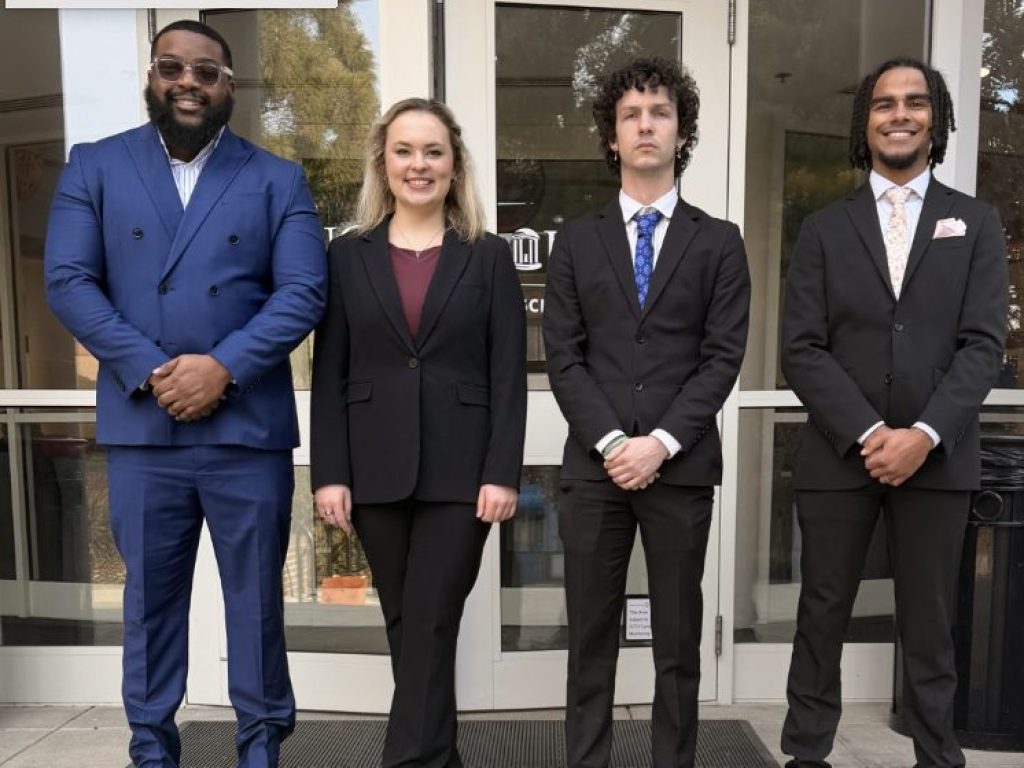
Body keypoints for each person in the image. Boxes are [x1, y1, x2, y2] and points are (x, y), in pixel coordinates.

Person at [44, 19, 326, 768]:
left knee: (257, 604)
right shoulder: (94, 167)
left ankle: (261, 748)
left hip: (245, 431)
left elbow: (303, 292)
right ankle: (151, 749)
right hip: (145, 428)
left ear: (228, 85)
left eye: (206, 71)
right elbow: (69, 281)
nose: (188, 82)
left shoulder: (278, 177)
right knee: (150, 606)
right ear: (152, 77)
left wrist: (222, 368)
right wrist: (155, 369)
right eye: (172, 67)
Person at [781, 57, 1008, 768]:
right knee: (820, 619)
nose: (900, 114)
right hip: (837, 458)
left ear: (935, 119)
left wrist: (924, 435)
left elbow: (983, 346)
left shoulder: (976, 224)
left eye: (915, 102)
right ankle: (807, 754)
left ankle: (938, 756)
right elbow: (802, 349)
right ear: (865, 122)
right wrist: (875, 433)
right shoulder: (823, 228)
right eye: (885, 104)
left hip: (938, 463)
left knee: (931, 627)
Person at [543, 58, 750, 768]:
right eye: (630, 114)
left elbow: (722, 359)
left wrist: (658, 443)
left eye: (659, 112)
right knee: (590, 640)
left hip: (680, 469)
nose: (645, 125)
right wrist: (612, 443)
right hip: (595, 473)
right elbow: (563, 358)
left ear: (681, 129)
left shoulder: (719, 241)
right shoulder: (575, 240)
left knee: (677, 642)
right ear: (611, 135)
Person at [310, 97, 526, 768]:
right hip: (374, 468)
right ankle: (442, 756)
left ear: (454, 163)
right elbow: (331, 370)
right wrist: (330, 473)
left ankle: (408, 760)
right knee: (409, 625)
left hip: (462, 475)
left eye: (433, 151)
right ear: (383, 161)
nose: (418, 164)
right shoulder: (347, 257)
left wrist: (501, 471)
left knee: (431, 620)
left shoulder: (487, 257)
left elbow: (507, 374)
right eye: (404, 150)